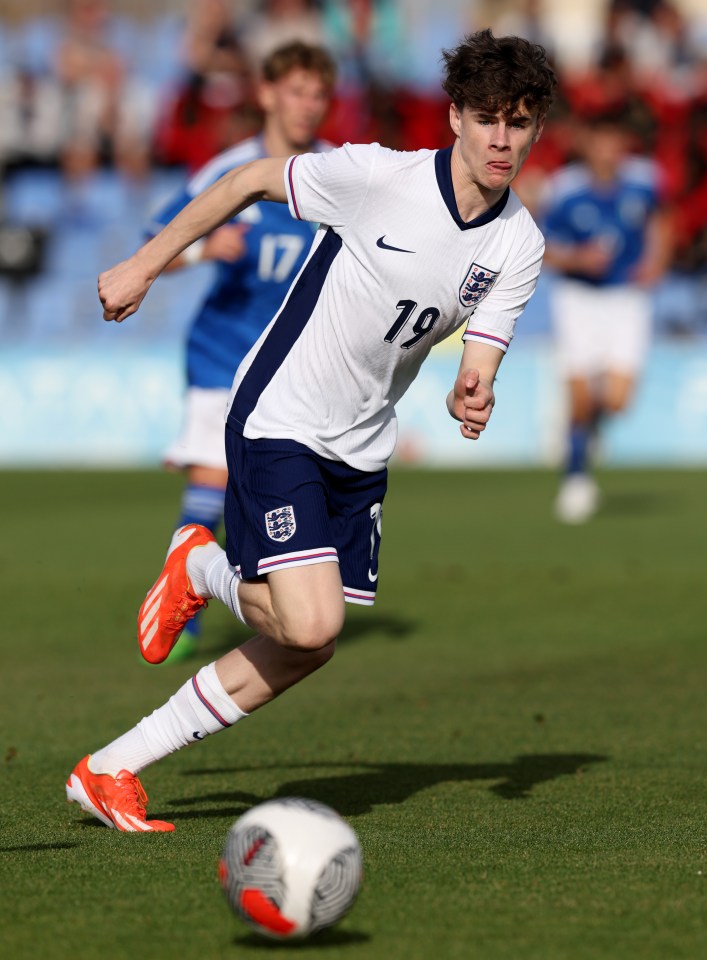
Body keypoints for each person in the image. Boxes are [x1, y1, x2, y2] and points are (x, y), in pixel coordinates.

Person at [66, 29, 556, 832]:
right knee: (312, 620)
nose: (502, 138)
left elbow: (480, 354)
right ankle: (204, 566)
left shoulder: (519, 244)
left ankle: (111, 767)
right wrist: (144, 265)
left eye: (520, 121)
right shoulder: (375, 176)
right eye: (487, 117)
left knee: (306, 644)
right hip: (280, 416)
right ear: (455, 118)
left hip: (361, 445)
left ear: (536, 129)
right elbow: (252, 179)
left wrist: (476, 389)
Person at [147, 41, 336, 662]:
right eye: (295, 91)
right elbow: (158, 246)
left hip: (293, 363)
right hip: (222, 349)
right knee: (214, 473)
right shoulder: (229, 169)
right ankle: (188, 612)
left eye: (317, 94)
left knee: (268, 490)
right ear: (266, 94)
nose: (307, 106)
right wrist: (205, 249)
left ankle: (235, 582)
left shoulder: (335, 169)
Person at [542, 109, 671, 523]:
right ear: (586, 144)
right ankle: (576, 476)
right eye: (600, 140)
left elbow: (664, 220)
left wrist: (657, 262)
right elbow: (539, 246)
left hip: (627, 298)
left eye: (615, 140)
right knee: (581, 396)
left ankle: (585, 432)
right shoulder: (564, 189)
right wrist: (578, 259)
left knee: (617, 401)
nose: (608, 149)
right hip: (579, 299)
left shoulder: (644, 180)